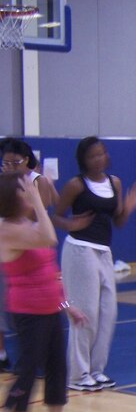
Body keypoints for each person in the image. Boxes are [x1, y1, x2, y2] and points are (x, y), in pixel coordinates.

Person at [0, 173, 88, 412]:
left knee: (57, 371)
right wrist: (39, 200)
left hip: (49, 310)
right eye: (25, 192)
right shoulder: (7, 230)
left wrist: (66, 306)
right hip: (27, 313)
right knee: (26, 374)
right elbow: (49, 237)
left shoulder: (27, 225)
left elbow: (48, 274)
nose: (31, 195)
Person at [53, 136, 136, 392]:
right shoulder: (75, 185)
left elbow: (119, 222)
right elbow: (57, 216)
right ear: (83, 159)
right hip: (79, 250)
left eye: (102, 153)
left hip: (104, 251)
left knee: (107, 312)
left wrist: (127, 207)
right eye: (93, 155)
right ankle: (78, 374)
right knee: (86, 312)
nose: (99, 158)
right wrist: (72, 224)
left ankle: (96, 370)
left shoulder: (115, 182)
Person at [1, 138, 60, 371]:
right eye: (4, 163)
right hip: (18, 261)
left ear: (25, 160)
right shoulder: (6, 188)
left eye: (13, 162)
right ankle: (5, 354)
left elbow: (46, 228)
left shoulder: (34, 183)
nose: (8, 166)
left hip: (33, 255)